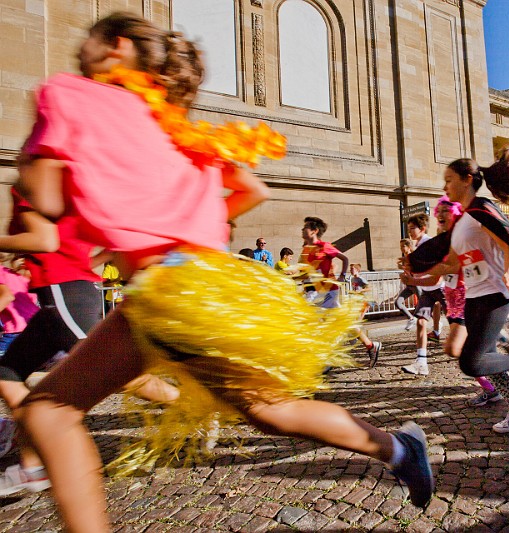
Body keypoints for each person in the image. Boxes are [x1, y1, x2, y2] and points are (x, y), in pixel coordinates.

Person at [14, 13, 432, 529]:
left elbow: (47, 200)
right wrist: (184, 227)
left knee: (48, 412)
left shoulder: (71, 94)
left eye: (89, 43)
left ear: (117, 47)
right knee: (270, 410)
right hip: (205, 283)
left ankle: (401, 449)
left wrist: (34, 150)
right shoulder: (180, 125)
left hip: (169, 290)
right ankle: (401, 449)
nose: (81, 52)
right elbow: (254, 189)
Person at [0, 189, 179, 496]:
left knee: (110, 376)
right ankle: (34, 460)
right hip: (60, 295)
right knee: (7, 372)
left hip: (64, 293)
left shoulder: (35, 185)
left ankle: (189, 404)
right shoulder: (69, 193)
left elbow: (45, 241)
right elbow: (104, 245)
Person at [405, 148, 509, 433]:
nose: (444, 187)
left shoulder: (481, 210)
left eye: (449, 179)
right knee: (487, 359)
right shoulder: (462, 222)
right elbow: (451, 265)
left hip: (494, 295)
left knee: (472, 361)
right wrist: (416, 275)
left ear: (467, 179)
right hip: (474, 298)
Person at [300, 216, 381, 367]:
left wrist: (343, 275)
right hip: (318, 292)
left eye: (305, 228)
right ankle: (370, 345)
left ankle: (326, 358)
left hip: (329, 291)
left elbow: (344, 258)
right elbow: (307, 272)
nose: (302, 230)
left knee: (317, 322)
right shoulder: (306, 249)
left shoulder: (325, 246)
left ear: (314, 231)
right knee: (342, 323)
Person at [403, 214, 445, 376]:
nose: (410, 232)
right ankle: (421, 362)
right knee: (420, 322)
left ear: (422, 228)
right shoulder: (417, 246)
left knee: (460, 325)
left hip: (440, 289)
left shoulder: (429, 244)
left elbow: (437, 269)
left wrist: (413, 278)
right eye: (408, 229)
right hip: (427, 290)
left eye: (412, 228)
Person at [394, 239, 421, 331]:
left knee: (424, 304)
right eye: (400, 246)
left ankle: (436, 322)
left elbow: (415, 270)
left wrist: (402, 267)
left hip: (417, 284)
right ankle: (411, 318)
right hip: (410, 286)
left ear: (408, 247)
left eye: (403, 246)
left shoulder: (412, 257)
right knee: (397, 302)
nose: (401, 248)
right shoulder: (404, 259)